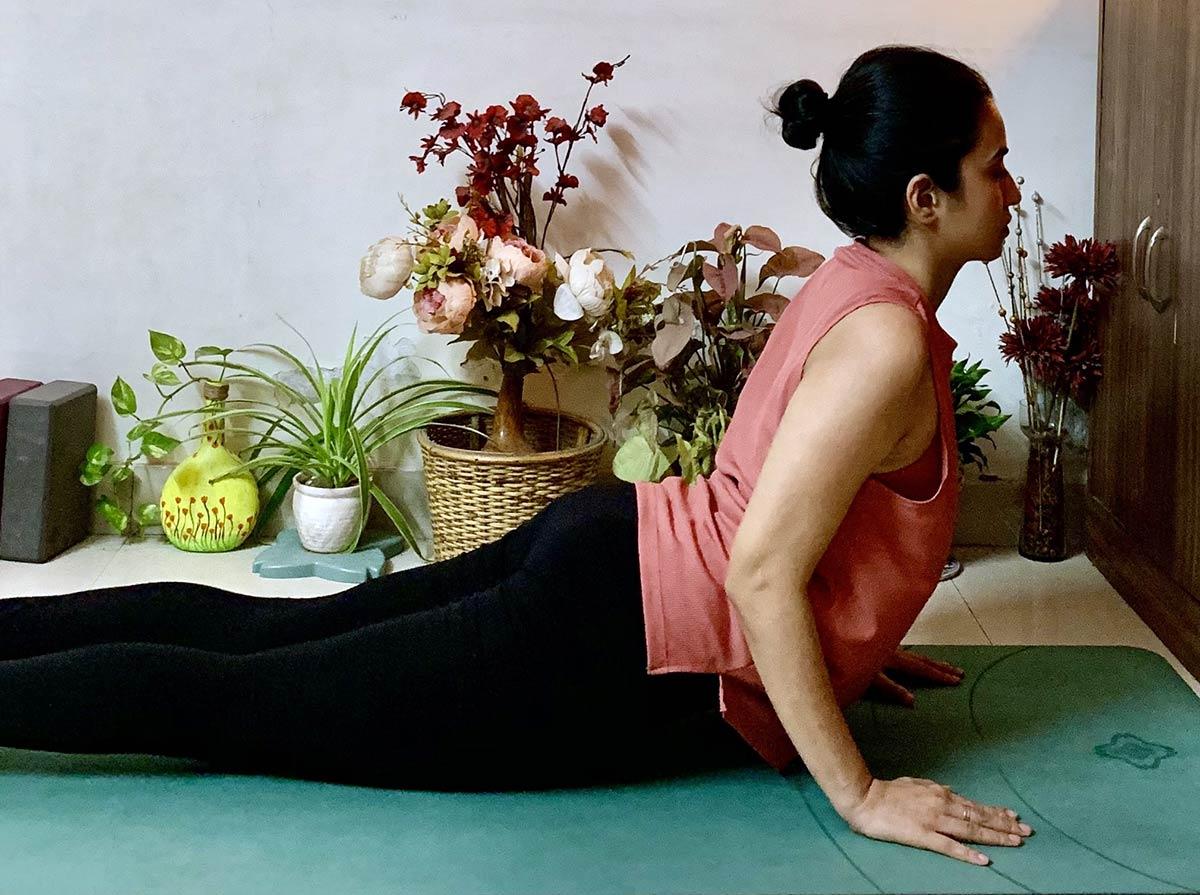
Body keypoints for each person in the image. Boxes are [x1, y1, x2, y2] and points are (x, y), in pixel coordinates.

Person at [0, 43, 1029, 867]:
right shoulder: (888, 337)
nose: (1013, 189)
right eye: (995, 166)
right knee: (242, 700)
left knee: (257, 644)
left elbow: (797, 513)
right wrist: (858, 790)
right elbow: (761, 566)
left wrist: (849, 636)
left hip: (613, 557)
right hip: (614, 634)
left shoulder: (861, 285)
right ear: (924, 196)